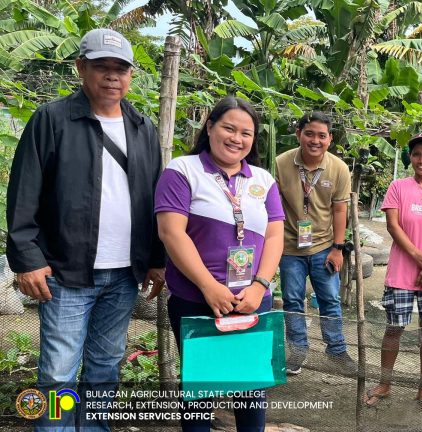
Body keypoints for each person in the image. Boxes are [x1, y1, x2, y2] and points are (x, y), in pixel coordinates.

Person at [6, 28, 165, 431]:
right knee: (59, 369)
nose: (112, 76)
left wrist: (157, 260)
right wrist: (27, 259)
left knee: (106, 365)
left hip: (125, 273)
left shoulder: (143, 128)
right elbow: (24, 191)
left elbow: (153, 198)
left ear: (131, 76)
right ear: (81, 68)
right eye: (101, 67)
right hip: (65, 271)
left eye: (120, 69)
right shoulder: (52, 119)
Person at [155, 96, 284, 431]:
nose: (236, 138)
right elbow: (172, 233)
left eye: (246, 133)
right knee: (201, 391)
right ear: (210, 127)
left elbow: (274, 237)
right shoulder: (182, 171)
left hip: (252, 302)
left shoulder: (263, 180)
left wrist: (260, 286)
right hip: (197, 301)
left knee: (251, 390)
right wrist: (209, 287)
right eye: (229, 128)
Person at [362, 132, 422, 415]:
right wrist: (420, 258)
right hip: (403, 272)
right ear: (411, 158)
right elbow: (393, 227)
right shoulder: (398, 187)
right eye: (417, 154)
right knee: (394, 328)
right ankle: (385, 384)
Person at [275, 111, 356, 375]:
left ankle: (336, 350)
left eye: (322, 136)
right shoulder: (280, 163)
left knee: (330, 299)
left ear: (330, 139)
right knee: (292, 300)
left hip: (323, 246)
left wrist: (338, 248)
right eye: (309, 133)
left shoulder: (339, 168)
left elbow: (339, 210)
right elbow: (273, 207)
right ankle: (297, 352)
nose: (315, 140)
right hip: (289, 247)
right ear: (299, 134)